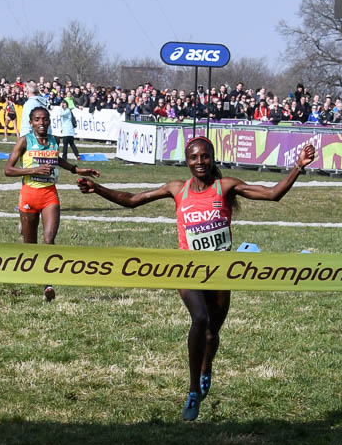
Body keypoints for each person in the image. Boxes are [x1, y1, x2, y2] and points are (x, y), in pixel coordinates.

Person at [77, 136, 316, 421]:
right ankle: (192, 390)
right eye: (194, 157)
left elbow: (273, 194)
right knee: (199, 319)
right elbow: (132, 201)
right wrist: (97, 188)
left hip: (220, 271)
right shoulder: (177, 189)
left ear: (212, 158)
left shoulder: (226, 186)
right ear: (187, 161)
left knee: (212, 333)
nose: (199, 162)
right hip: (187, 268)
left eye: (205, 156)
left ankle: (206, 368)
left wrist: (298, 167)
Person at [5, 106, 101, 301]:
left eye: (45, 119)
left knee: (49, 241)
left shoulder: (54, 140)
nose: (42, 123)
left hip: (50, 196)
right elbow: (8, 170)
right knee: (30, 246)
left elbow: (56, 159)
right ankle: (24, 229)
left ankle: (47, 285)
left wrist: (78, 170)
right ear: (31, 122)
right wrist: (34, 170)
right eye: (37, 119)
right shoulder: (24, 141)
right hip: (29, 195)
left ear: (49, 121)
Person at [57, 93, 80, 161]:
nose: (63, 105)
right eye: (63, 104)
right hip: (65, 129)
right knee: (71, 144)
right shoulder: (64, 110)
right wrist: (62, 128)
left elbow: (61, 114)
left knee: (66, 144)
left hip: (68, 130)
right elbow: (62, 121)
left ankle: (65, 157)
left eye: (64, 104)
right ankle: (77, 155)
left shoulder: (67, 110)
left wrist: (60, 107)